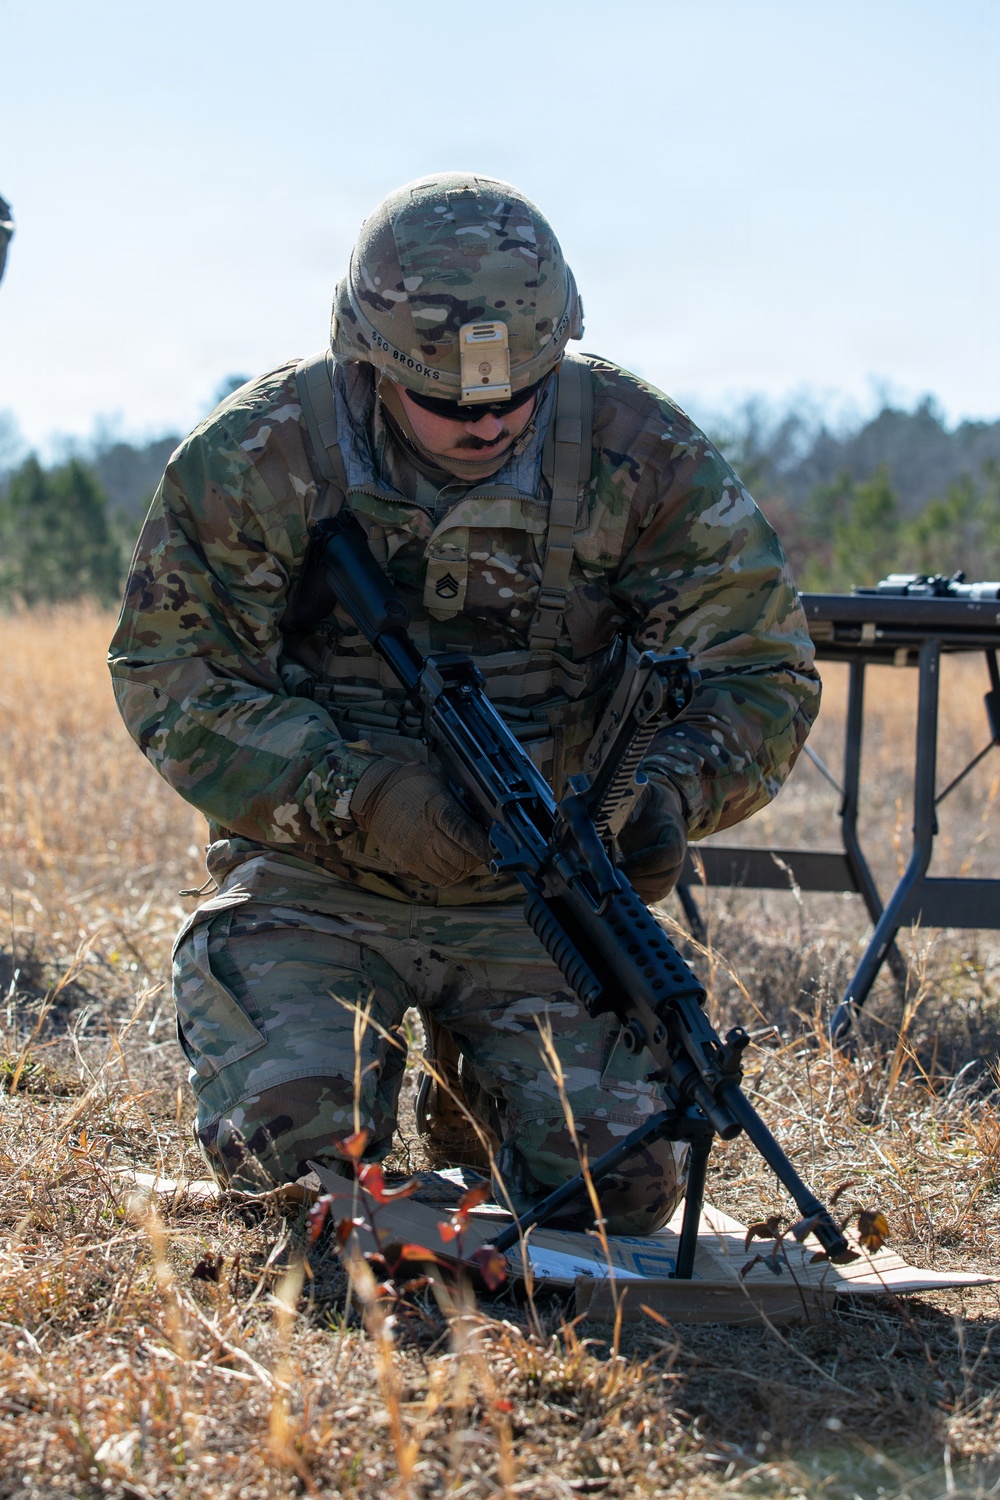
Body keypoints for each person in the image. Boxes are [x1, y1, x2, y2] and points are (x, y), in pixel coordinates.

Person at [109, 172, 819, 1234]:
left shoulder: (641, 450)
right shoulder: (265, 452)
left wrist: (663, 798)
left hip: (539, 890)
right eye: (447, 402)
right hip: (321, 872)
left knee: (613, 1192)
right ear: (371, 361)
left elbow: (758, 667)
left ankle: (472, 1091)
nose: (486, 423)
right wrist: (362, 799)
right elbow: (173, 673)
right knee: (295, 1170)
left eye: (518, 392)